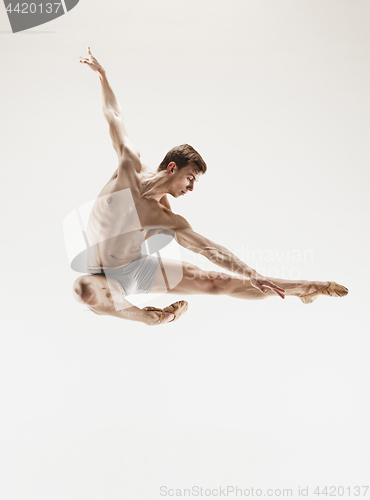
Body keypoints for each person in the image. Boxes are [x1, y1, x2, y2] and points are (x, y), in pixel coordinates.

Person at [73, 48, 348, 326]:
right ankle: (153, 318)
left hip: (133, 270)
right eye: (190, 178)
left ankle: (306, 287)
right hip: (99, 275)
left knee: (216, 282)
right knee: (84, 290)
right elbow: (114, 116)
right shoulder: (129, 166)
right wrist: (102, 75)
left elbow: (209, 250)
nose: (191, 188)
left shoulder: (165, 218)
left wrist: (251, 272)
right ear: (172, 167)